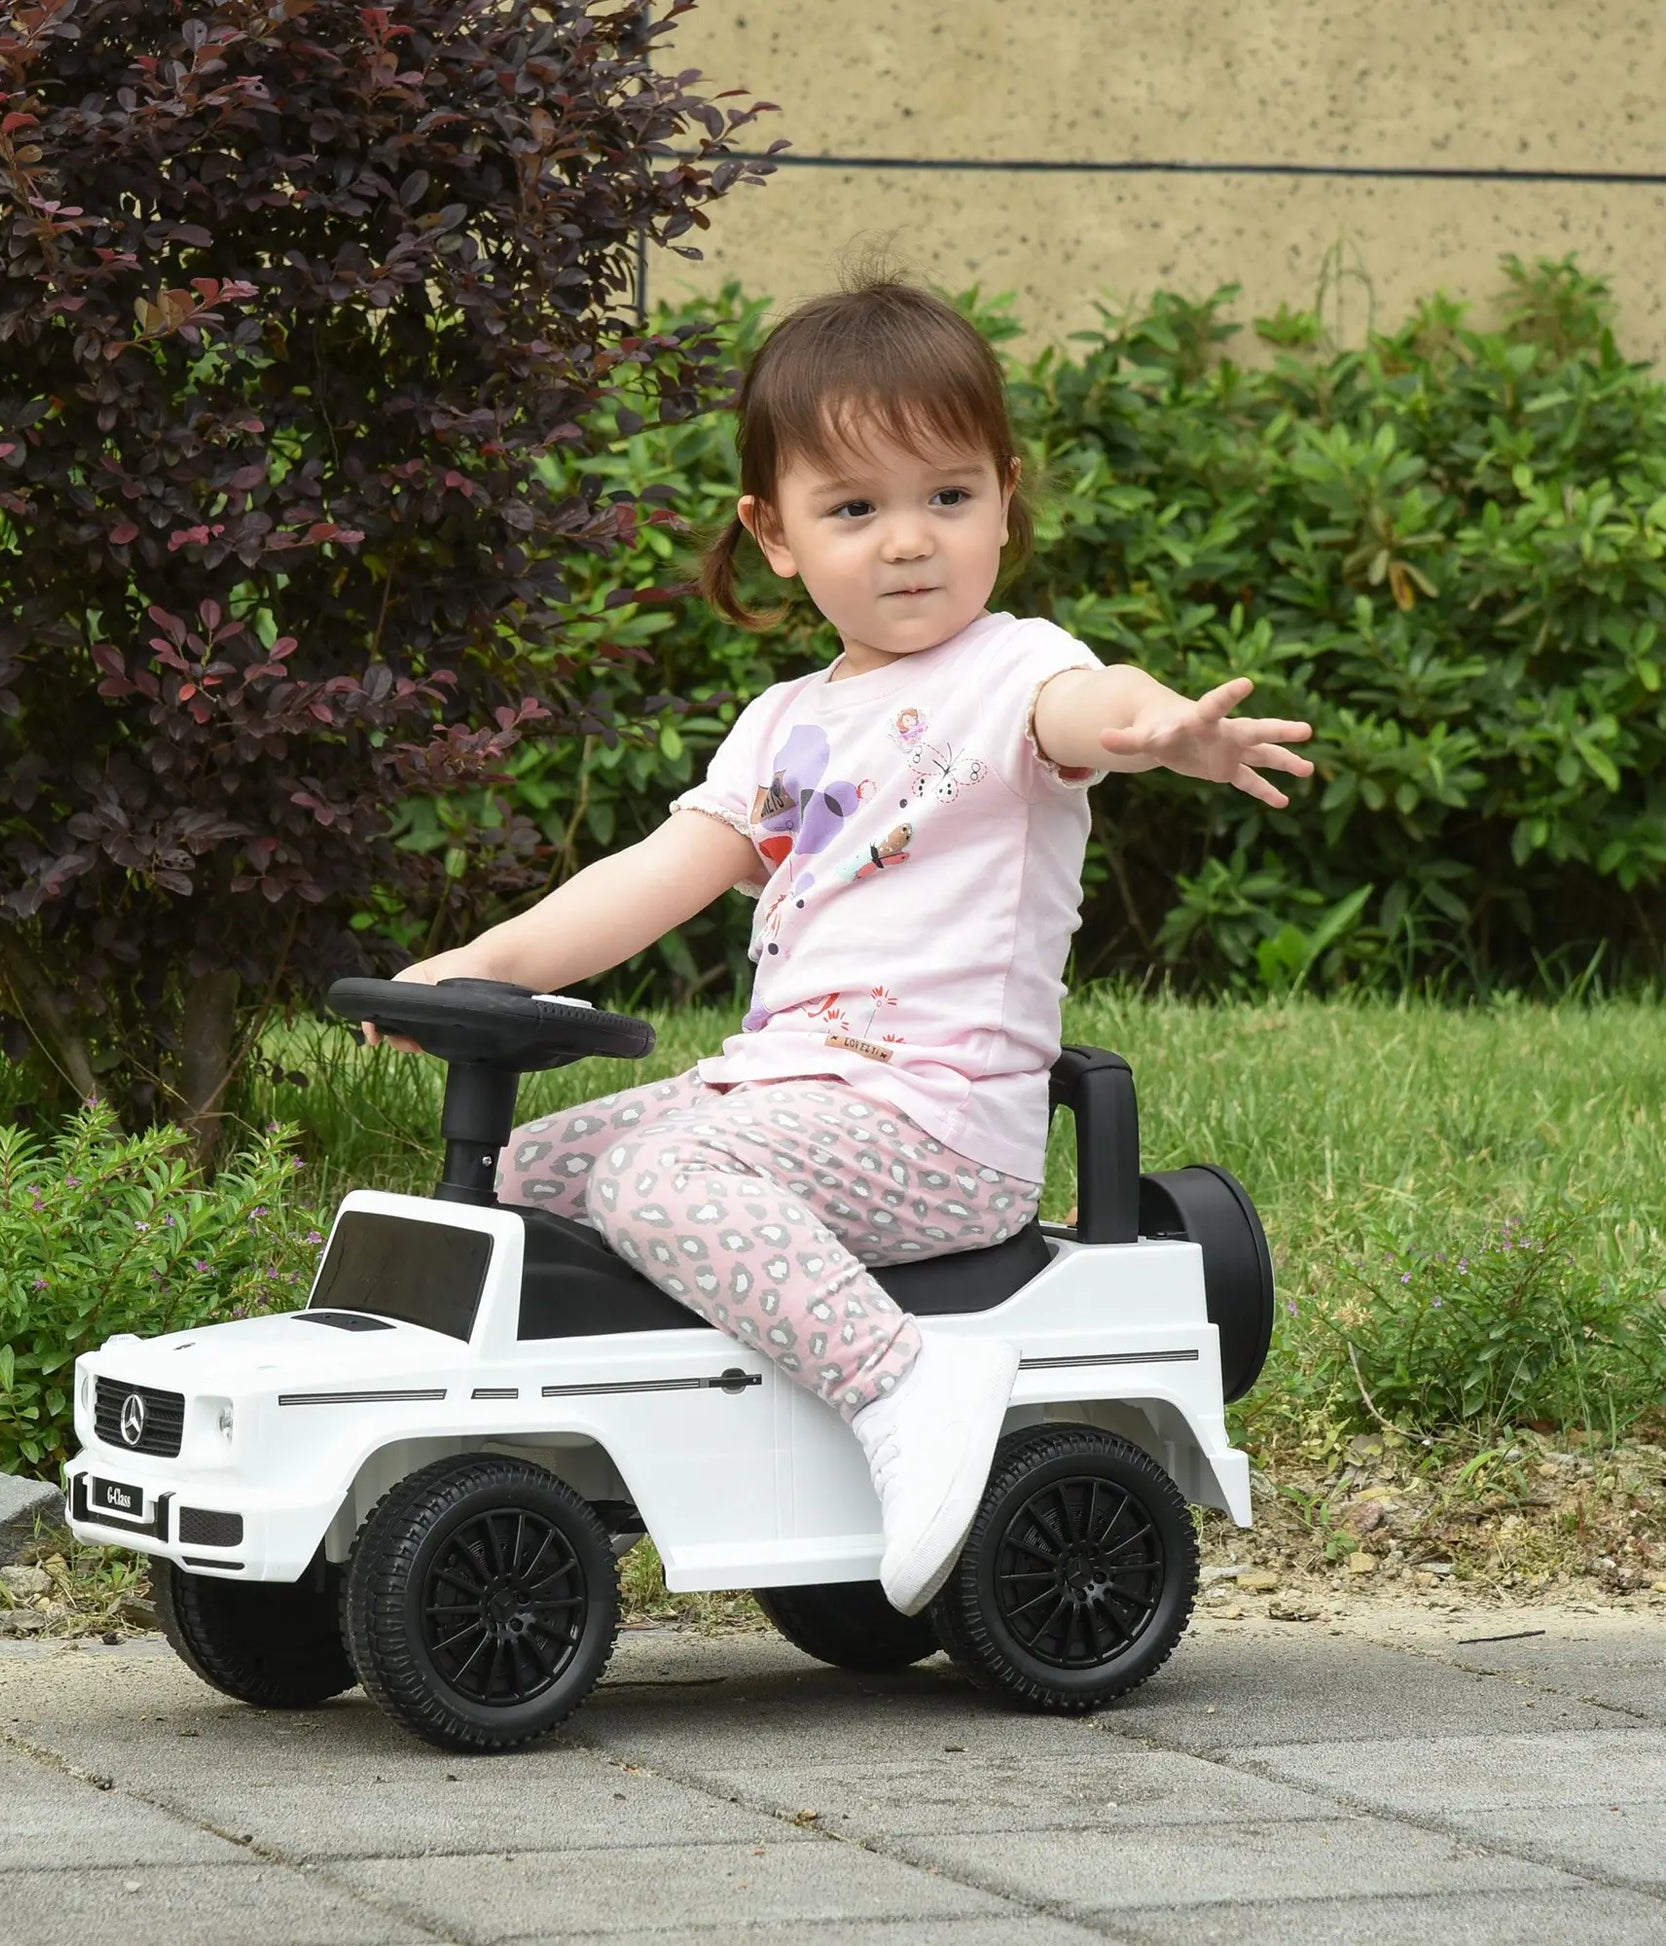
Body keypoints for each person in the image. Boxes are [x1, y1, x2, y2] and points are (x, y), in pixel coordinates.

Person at [365, 278, 1314, 1614]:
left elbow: (1086, 705)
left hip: (934, 1123)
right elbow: (656, 877)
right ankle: (681, 1435)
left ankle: (904, 1385)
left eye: (948, 495)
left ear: (1004, 499)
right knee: (533, 1174)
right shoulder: (781, 726)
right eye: (855, 509)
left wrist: (1162, 729)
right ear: (775, 533)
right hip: (786, 1096)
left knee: (659, 1177)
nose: (910, 541)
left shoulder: (1011, 673)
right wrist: (482, 966)